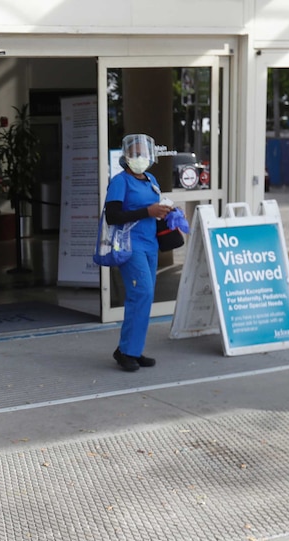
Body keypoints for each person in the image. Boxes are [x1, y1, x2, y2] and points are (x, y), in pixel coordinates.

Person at [104, 134, 172, 372]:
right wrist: (147, 211)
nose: (140, 157)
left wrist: (165, 211)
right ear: (126, 156)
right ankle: (125, 351)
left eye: (144, 153)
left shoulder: (151, 179)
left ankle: (132, 349)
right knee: (141, 292)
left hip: (150, 243)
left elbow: (152, 209)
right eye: (135, 153)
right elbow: (112, 216)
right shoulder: (120, 181)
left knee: (145, 296)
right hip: (130, 245)